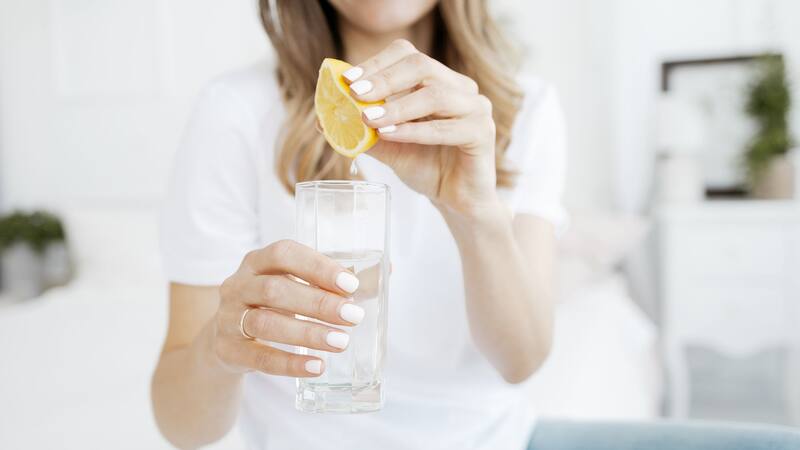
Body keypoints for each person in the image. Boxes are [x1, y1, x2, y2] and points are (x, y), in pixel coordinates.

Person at [151, 1, 800, 449]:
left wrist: (474, 211)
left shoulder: (526, 108)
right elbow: (181, 424)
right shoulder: (235, 112)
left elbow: (520, 359)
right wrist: (222, 344)